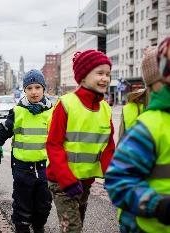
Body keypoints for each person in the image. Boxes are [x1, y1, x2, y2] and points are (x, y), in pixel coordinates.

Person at [46, 50, 115, 233]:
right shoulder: (67, 104)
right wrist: (67, 180)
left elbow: (108, 148)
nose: (105, 78)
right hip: (62, 182)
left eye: (108, 74)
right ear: (83, 77)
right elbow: (54, 144)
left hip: (85, 182)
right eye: (100, 73)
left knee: (77, 226)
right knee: (73, 229)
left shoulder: (106, 109)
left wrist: (113, 176)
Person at [105, 38, 170, 233]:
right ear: (156, 84)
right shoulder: (150, 126)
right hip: (147, 226)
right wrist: (158, 205)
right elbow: (118, 179)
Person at [0, 69, 53, 233]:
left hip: (46, 168)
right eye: (29, 88)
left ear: (44, 89)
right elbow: (3, 131)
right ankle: (22, 228)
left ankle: (39, 226)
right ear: (24, 90)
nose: (34, 92)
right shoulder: (18, 111)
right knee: (22, 205)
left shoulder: (54, 112)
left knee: (43, 205)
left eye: (37, 87)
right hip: (22, 167)